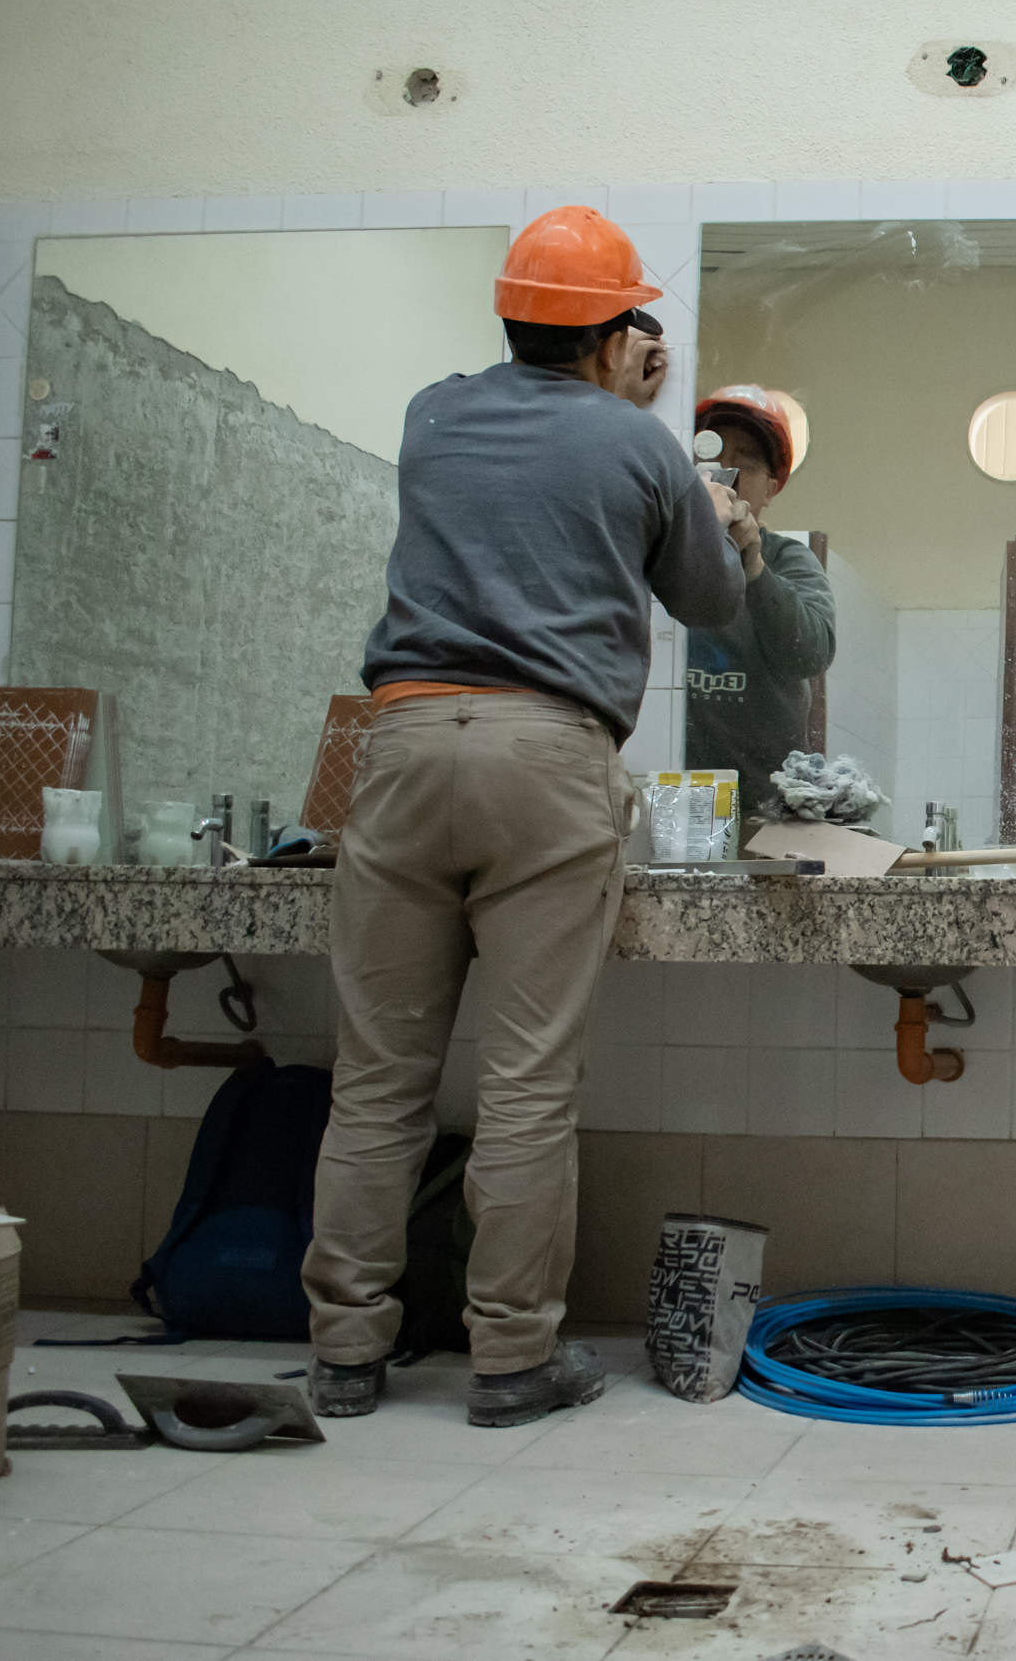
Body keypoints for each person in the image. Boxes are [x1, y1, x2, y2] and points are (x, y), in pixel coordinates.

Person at [302, 206, 744, 1427]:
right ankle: (509, 1358)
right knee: (525, 1082)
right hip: (546, 757)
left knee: (377, 1081)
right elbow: (709, 596)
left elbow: (522, 476)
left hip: (395, 744)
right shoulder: (638, 445)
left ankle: (344, 1350)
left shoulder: (431, 416)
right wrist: (654, 438)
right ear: (615, 336)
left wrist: (611, 398)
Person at [682, 385, 836, 789]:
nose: (722, 473)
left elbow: (812, 655)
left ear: (771, 488)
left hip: (765, 804)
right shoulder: (661, 552)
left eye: (745, 463)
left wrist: (753, 567)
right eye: (709, 456)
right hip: (668, 793)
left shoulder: (789, 559)